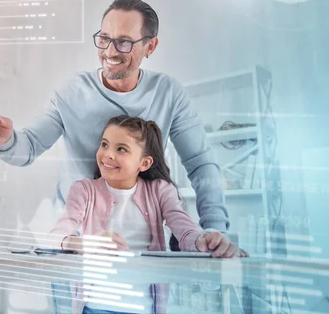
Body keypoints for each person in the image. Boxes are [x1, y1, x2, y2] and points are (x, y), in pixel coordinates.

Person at [0, 0, 230, 240]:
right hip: (76, 236)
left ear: (150, 46)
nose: (110, 51)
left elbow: (200, 163)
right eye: (104, 38)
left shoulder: (168, 94)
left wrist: (214, 228)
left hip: (141, 235)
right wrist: (6, 141)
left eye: (124, 42)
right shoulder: (72, 91)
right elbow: (29, 147)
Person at [47, 115, 242, 314]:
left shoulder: (160, 190)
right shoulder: (84, 190)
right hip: (95, 307)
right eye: (105, 144)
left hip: (143, 308)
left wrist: (204, 239)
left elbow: (185, 230)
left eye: (121, 149)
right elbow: (56, 237)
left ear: (145, 163)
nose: (108, 154)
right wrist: (87, 243)